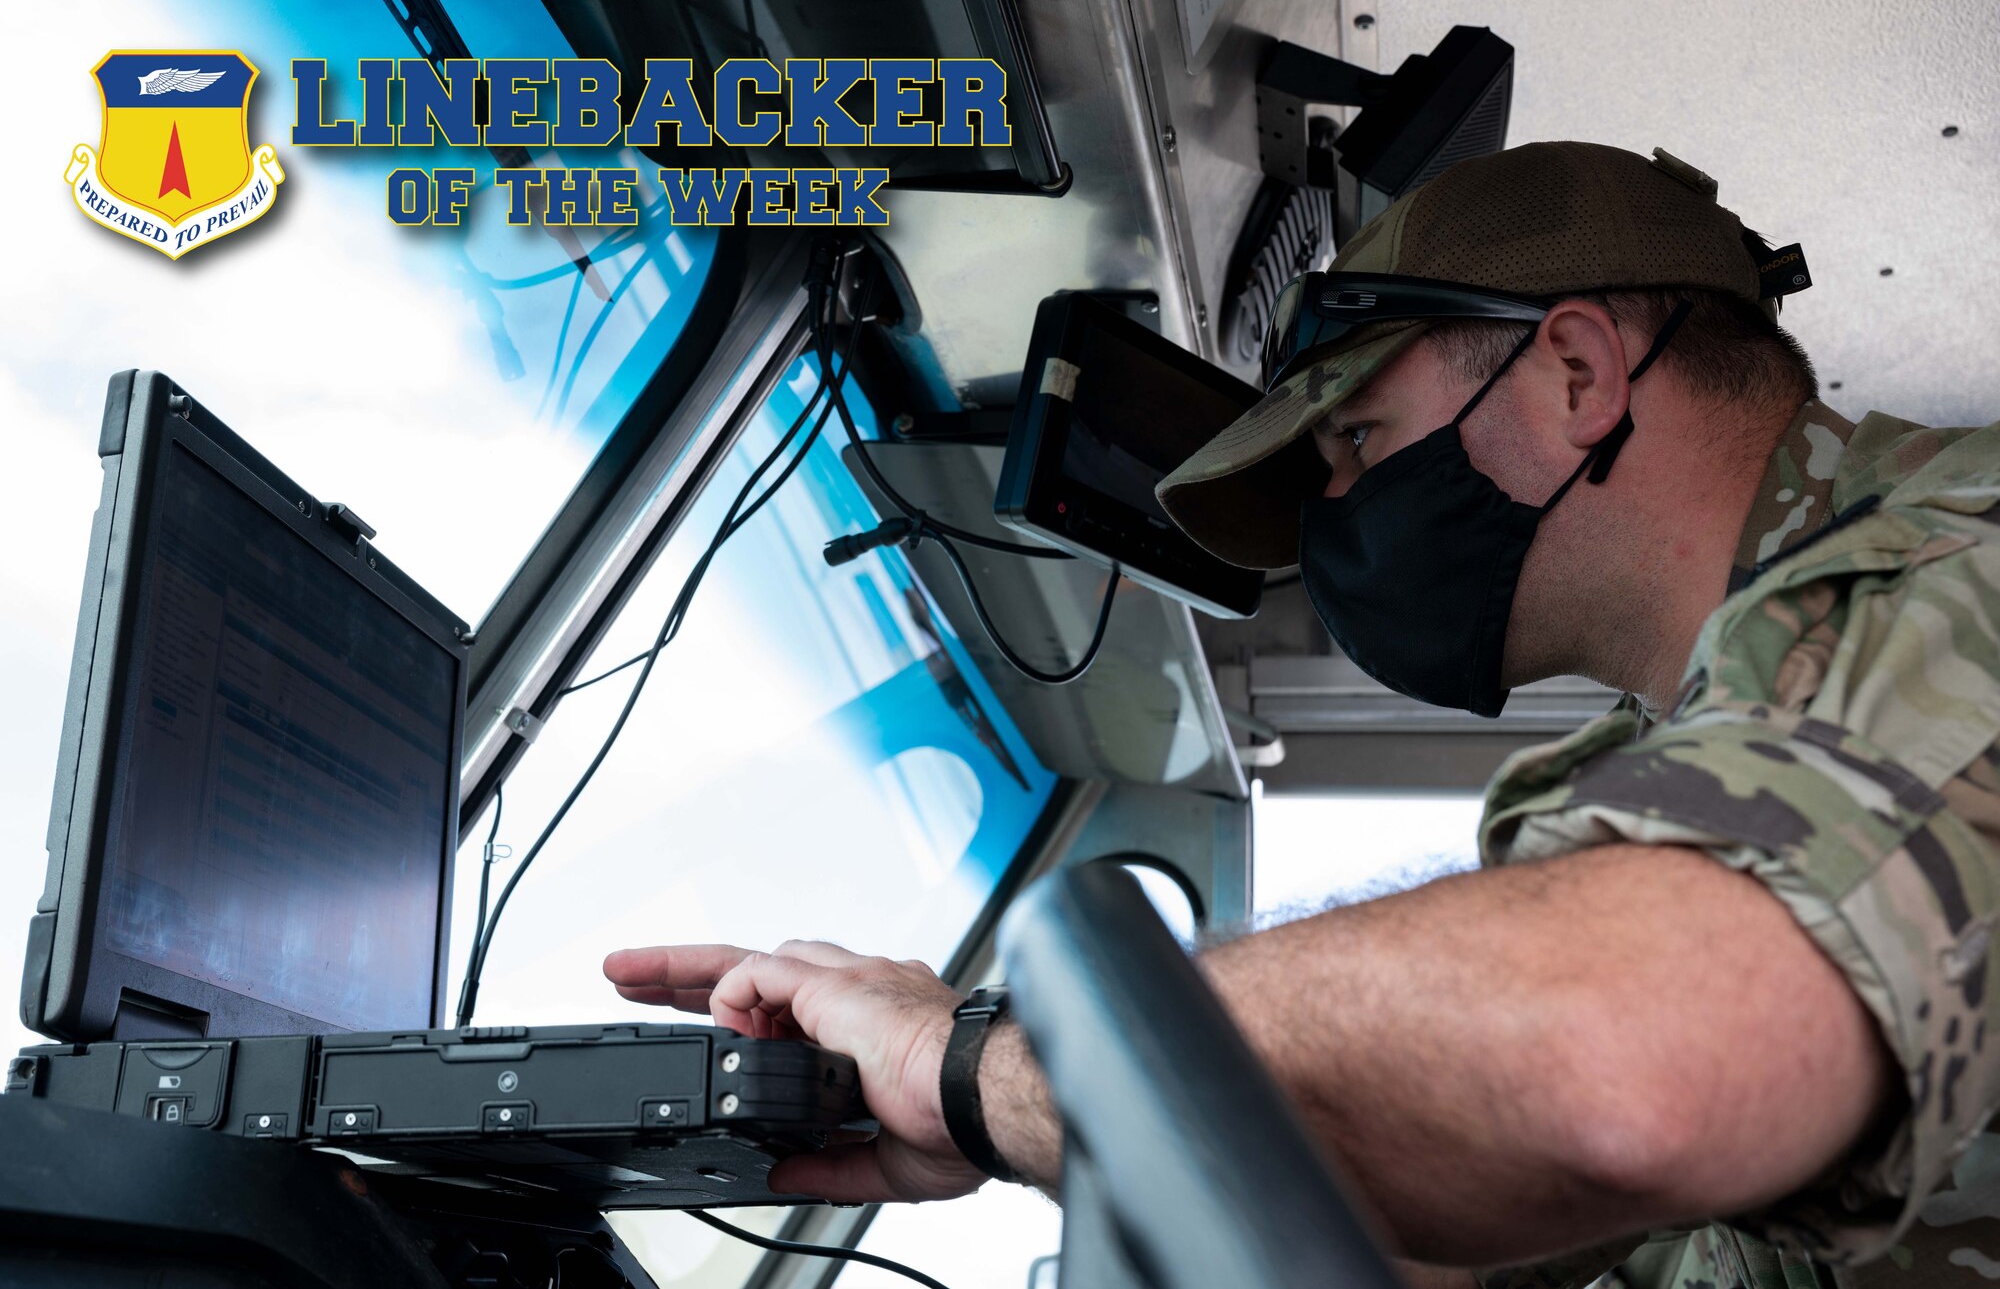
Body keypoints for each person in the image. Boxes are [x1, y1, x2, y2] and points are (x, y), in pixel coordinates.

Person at [603, 141, 2000, 1289]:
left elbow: (1623, 1066)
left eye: (1356, 441)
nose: (1335, 515)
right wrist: (1046, 1119)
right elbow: (1522, 1212)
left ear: (1578, 376)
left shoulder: (1962, 562)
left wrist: (957, 1068)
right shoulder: (1714, 741)